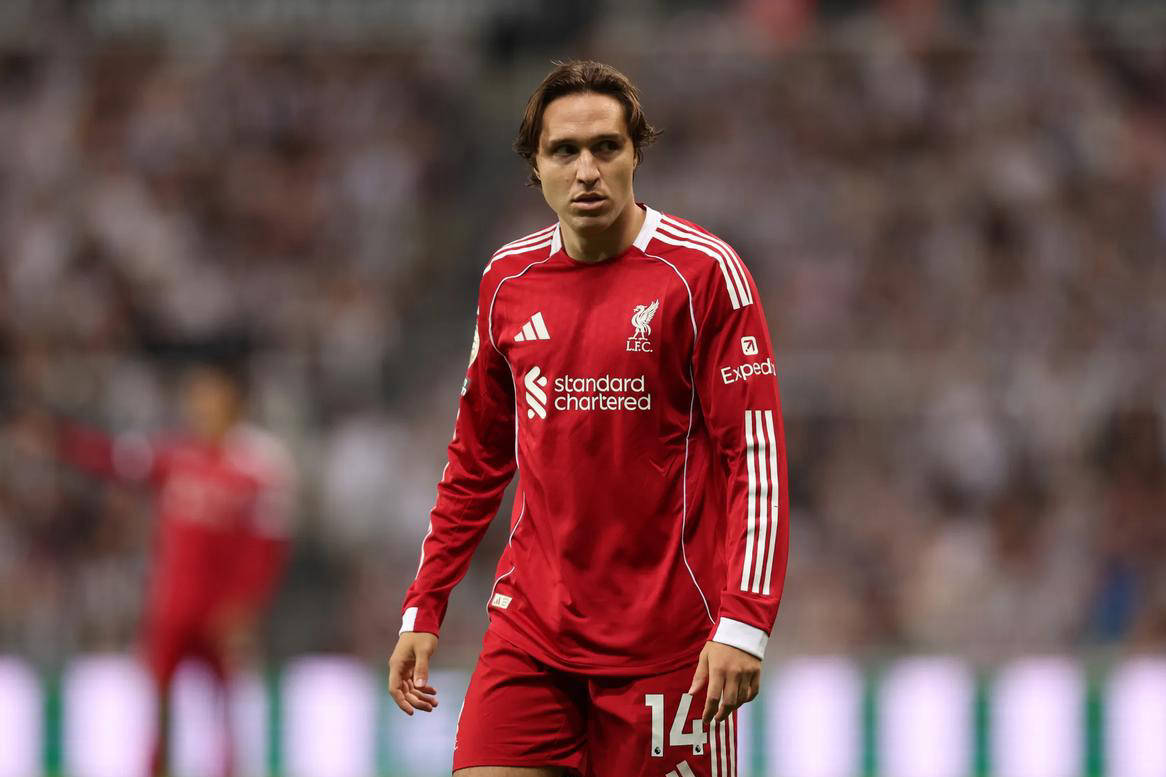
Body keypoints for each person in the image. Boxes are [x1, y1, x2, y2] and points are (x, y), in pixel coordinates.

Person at [387, 60, 788, 777]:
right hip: (532, 632)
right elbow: (476, 460)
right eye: (564, 151)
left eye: (606, 147)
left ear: (636, 154)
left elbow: (753, 460)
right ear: (534, 167)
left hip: (668, 644)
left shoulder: (703, 274)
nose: (586, 171)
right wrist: (425, 603)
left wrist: (745, 620)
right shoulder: (507, 280)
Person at [59, 356, 296, 777]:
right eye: (195, 397)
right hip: (172, 607)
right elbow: (116, 459)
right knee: (159, 704)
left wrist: (247, 605)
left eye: (209, 396)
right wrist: (63, 440)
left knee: (226, 708)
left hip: (223, 613)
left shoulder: (259, 466)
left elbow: (268, 546)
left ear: (234, 401)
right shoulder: (177, 456)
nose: (199, 406)